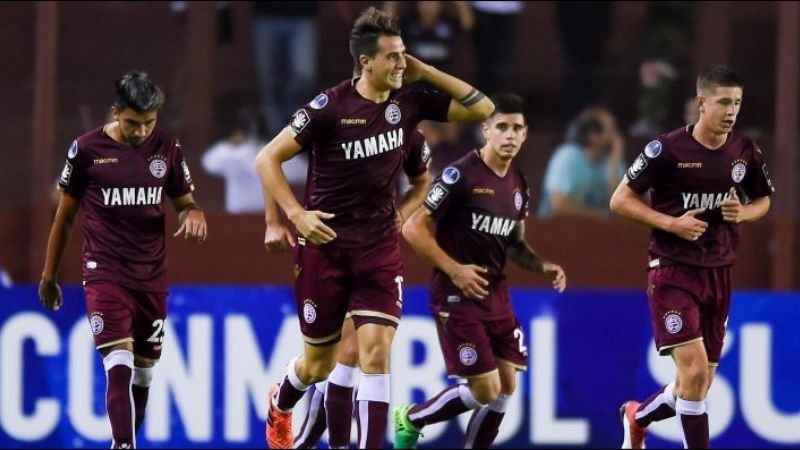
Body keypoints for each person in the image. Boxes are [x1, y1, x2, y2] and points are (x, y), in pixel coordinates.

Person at [255, 7, 494, 449]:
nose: (402, 64)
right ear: (367, 62)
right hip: (324, 244)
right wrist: (293, 215)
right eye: (394, 57)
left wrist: (426, 70)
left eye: (405, 56)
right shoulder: (330, 107)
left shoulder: (411, 104)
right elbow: (267, 159)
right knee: (317, 366)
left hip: (378, 246)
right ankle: (282, 402)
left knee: (376, 354)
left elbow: (483, 108)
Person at [38, 71, 208, 449]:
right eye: (132, 123)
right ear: (115, 112)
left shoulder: (168, 146)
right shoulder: (86, 150)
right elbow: (64, 217)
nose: (141, 131)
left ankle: (128, 437)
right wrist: (49, 275)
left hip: (151, 275)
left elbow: (185, 202)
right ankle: (123, 444)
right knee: (119, 361)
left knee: (144, 376)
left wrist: (193, 214)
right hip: (104, 271)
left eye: (149, 123)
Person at [610, 66, 774, 449]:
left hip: (719, 273)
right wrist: (671, 223)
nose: (732, 111)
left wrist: (743, 213)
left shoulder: (744, 150)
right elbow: (619, 199)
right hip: (672, 270)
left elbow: (763, 200)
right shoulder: (666, 150)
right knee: (696, 374)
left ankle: (637, 417)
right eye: (723, 102)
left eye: (737, 103)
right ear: (701, 104)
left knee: (694, 385)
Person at [394, 93, 567, 449]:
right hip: (456, 294)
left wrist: (542, 265)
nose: (509, 134)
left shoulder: (519, 183)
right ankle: (410, 419)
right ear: (485, 129)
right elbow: (412, 227)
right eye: (501, 126)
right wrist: (455, 269)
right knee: (484, 388)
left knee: (506, 387)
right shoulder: (460, 174)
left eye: (517, 128)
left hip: (495, 295)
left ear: (525, 134)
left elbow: (515, 243)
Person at [292, 128, 431, 450]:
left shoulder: (407, 130)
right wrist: (282, 216)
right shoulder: (339, 116)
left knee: (369, 352)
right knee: (332, 359)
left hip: (375, 249)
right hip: (332, 250)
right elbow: (270, 158)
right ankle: (307, 436)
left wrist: (401, 214)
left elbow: (422, 181)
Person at [538, 106, 626, 219]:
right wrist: (602, 217)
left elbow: (621, 210)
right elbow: (559, 206)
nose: (616, 138)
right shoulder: (567, 156)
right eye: (611, 131)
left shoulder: (613, 160)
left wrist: (614, 163)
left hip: (597, 231)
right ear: (593, 135)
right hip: (557, 229)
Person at [201, 110, 267, 213]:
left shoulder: (267, 149)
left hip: (263, 209)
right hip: (239, 210)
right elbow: (209, 163)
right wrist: (230, 144)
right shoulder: (228, 153)